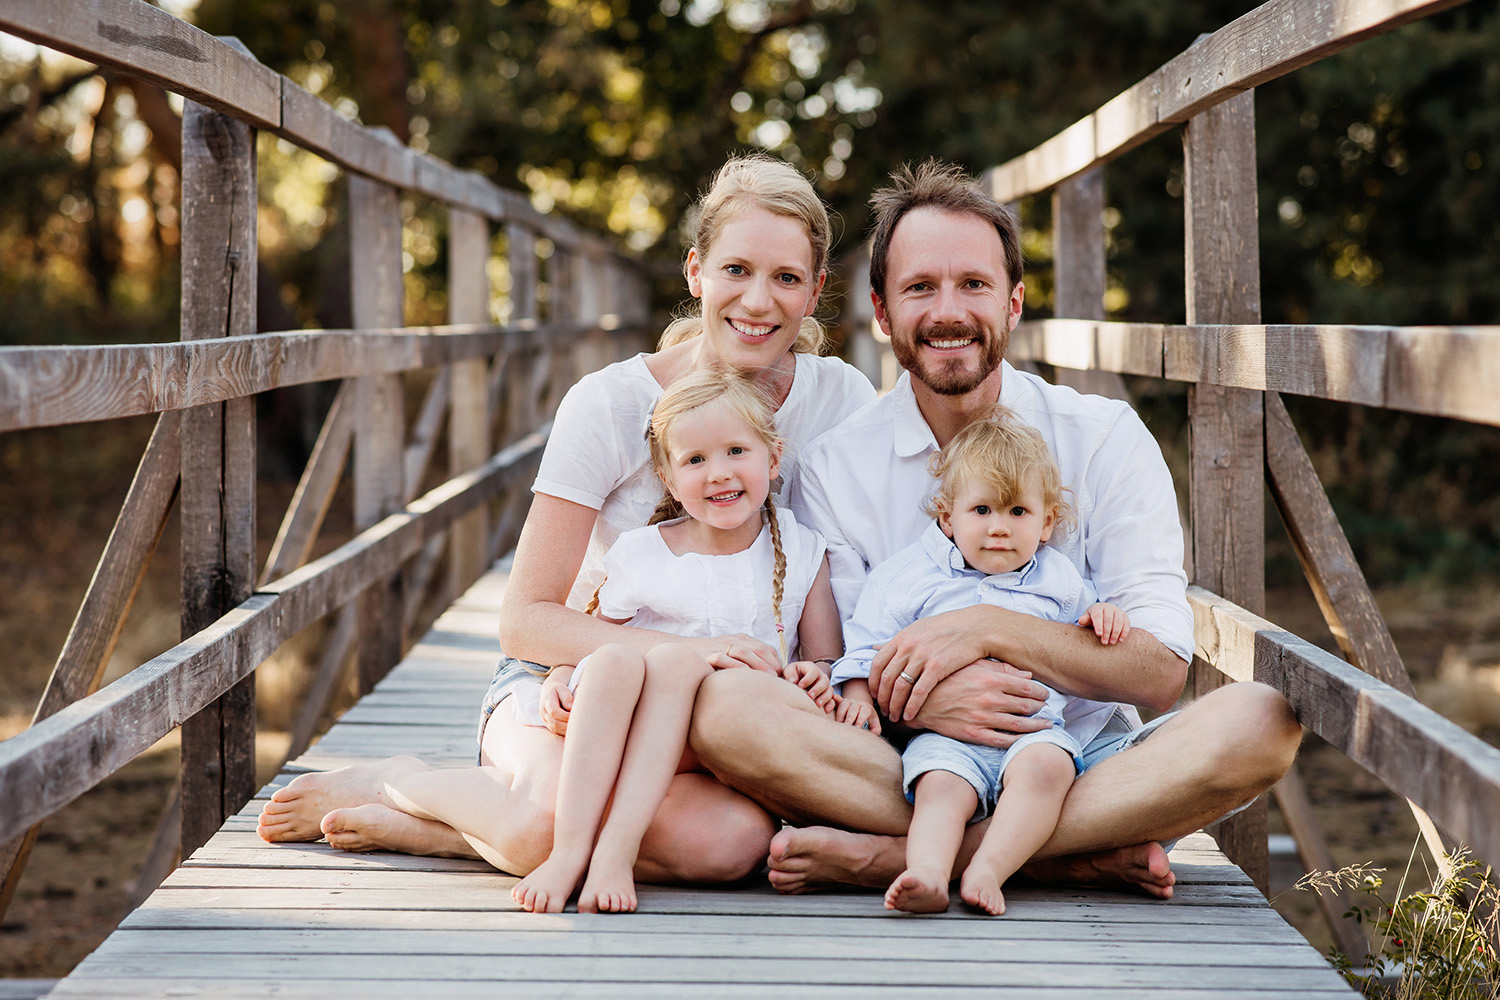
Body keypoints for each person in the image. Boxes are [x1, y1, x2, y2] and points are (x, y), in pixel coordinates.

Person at [255, 154, 876, 889]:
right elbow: (525, 621)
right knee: (544, 824)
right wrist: (688, 650)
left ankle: (464, 834)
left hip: (712, 708)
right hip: (575, 678)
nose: (758, 300)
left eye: (786, 278)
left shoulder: (842, 399)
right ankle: (404, 783)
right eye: (735, 269)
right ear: (695, 273)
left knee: (729, 844)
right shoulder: (609, 404)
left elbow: (867, 561)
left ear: (815, 294)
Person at [687, 159, 1301, 898]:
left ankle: (899, 858)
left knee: (1260, 720)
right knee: (726, 711)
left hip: (1075, 756)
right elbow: (845, 663)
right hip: (905, 764)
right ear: (882, 314)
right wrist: (924, 701)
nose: (949, 311)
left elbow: (1160, 670)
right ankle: (1053, 854)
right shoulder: (834, 466)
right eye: (920, 288)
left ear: (1013, 302)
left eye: (973, 285)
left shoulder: (1101, 436)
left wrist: (988, 629)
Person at [512, 369, 841, 914]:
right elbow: (598, 635)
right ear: (667, 476)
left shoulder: (804, 551)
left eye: (737, 450)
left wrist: (821, 674)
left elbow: (824, 653)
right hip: (636, 723)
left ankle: (613, 848)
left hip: (720, 740)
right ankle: (574, 852)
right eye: (694, 460)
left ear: (773, 458)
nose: (719, 473)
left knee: (676, 669)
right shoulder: (643, 553)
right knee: (628, 663)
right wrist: (562, 676)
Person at [832, 406, 1133, 915]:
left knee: (1048, 772)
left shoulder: (1056, 579)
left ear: (1046, 523)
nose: (999, 528)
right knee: (940, 789)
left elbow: (1084, 635)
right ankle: (926, 871)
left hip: (1033, 734)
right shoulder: (908, 578)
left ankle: (988, 868)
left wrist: (1103, 614)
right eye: (982, 511)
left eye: (1018, 512)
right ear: (947, 517)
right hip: (946, 739)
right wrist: (859, 695)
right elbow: (865, 648)